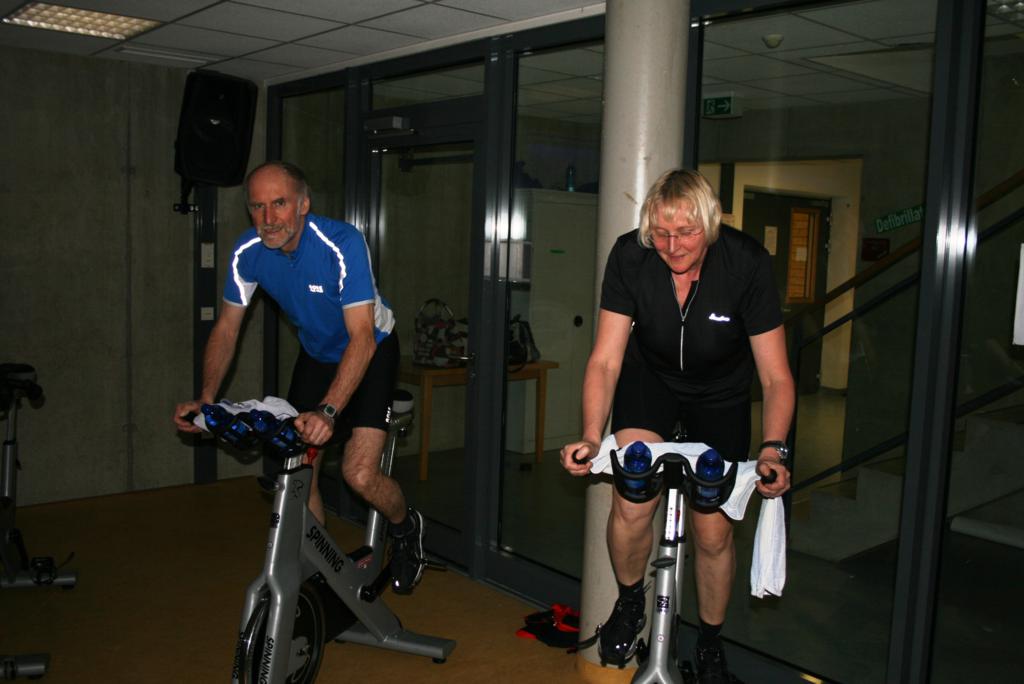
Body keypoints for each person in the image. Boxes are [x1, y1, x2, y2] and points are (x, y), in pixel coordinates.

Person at [560, 169, 794, 682]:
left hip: (721, 396)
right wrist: (591, 435)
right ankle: (630, 602)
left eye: (686, 232)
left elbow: (776, 376)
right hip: (651, 383)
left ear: (710, 224)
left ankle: (709, 644)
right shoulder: (631, 255)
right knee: (632, 489)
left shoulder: (746, 263)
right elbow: (605, 360)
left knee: (712, 532)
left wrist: (773, 448)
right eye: (661, 234)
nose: (672, 246)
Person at [174, 161, 427, 595]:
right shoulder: (247, 252)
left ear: (303, 205)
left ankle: (406, 527)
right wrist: (206, 398)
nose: (268, 218)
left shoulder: (341, 243)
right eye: (258, 206)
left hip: (371, 348)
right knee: (296, 471)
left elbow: (362, 338)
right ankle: (321, 567)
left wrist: (329, 411)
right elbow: (227, 328)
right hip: (317, 355)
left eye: (279, 204)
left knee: (358, 474)